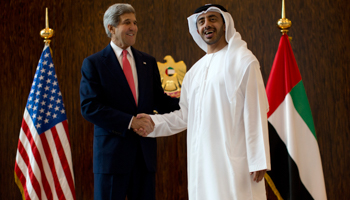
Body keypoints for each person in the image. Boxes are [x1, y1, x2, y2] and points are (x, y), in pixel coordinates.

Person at [136, 4, 271, 200]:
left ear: (225, 25)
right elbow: (185, 116)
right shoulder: (194, 72)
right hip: (202, 163)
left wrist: (259, 158)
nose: (207, 25)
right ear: (197, 29)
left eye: (212, 19)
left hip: (234, 162)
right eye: (201, 21)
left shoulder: (243, 61)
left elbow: (255, 109)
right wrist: (152, 123)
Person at [79, 3, 179, 200]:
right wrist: (130, 121)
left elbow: (160, 101)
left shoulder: (147, 62)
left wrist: (196, 102)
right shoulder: (94, 63)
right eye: (127, 23)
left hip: (144, 157)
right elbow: (89, 107)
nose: (133, 27)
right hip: (112, 159)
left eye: (135, 22)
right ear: (111, 28)